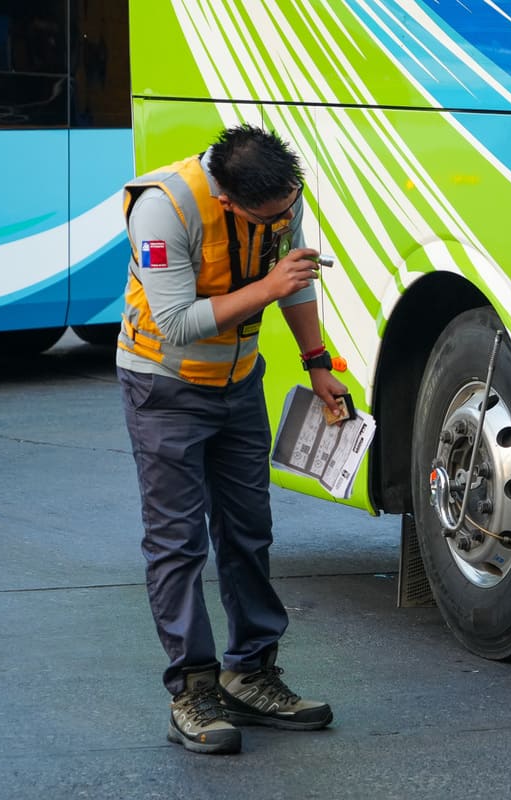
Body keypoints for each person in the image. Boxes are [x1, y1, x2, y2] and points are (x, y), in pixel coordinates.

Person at [117, 124, 348, 755]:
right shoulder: (163, 209)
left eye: (287, 209)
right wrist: (266, 289)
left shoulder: (280, 195)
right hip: (164, 388)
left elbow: (294, 278)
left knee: (249, 531)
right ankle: (192, 691)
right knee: (178, 542)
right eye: (269, 216)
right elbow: (175, 323)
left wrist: (316, 361)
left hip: (240, 383)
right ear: (227, 200)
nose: (283, 221)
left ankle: (250, 673)